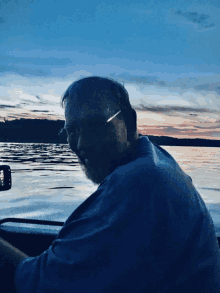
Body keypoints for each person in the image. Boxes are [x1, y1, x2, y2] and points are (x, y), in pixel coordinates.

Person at [0, 76, 220, 292]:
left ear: (130, 122)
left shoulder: (139, 185)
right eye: (72, 131)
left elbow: (35, 285)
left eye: (95, 126)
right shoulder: (157, 162)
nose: (81, 143)